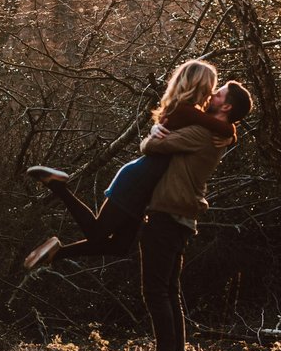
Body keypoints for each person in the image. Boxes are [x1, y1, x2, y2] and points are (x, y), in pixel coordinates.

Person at [22, 59, 233, 270]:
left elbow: (206, 127)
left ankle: (56, 252)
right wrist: (231, 133)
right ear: (200, 86)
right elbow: (218, 127)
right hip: (138, 180)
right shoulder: (185, 112)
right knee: (97, 232)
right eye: (212, 88)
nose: (213, 94)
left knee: (119, 246)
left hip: (144, 184)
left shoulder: (184, 111)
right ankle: (58, 186)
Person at [134, 78, 253, 351]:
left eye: (219, 93)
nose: (212, 94)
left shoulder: (201, 133)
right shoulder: (215, 133)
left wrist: (151, 133)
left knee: (155, 292)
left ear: (225, 106)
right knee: (169, 292)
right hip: (181, 216)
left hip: (168, 213)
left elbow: (152, 147)